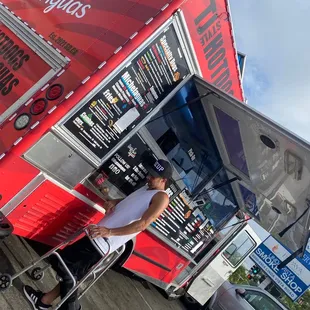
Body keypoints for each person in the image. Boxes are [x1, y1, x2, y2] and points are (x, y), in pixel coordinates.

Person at [23, 159, 172, 310]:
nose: (149, 177)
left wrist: (110, 232)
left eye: (154, 176)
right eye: (150, 173)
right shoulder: (146, 189)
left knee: (64, 266)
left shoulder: (161, 197)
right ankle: (44, 301)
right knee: (70, 273)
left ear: (164, 180)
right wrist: (114, 202)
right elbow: (130, 203)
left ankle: (71, 308)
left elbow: (142, 224)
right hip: (97, 233)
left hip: (104, 240)